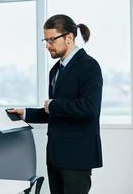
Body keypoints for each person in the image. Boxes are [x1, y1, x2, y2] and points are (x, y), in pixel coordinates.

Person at [8, 14, 103, 194]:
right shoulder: (55, 70)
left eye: (51, 40)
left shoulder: (89, 66)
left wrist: (53, 105)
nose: (47, 45)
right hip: (55, 157)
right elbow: (54, 110)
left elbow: (89, 107)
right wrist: (25, 114)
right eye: (46, 40)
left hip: (76, 158)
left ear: (69, 38)